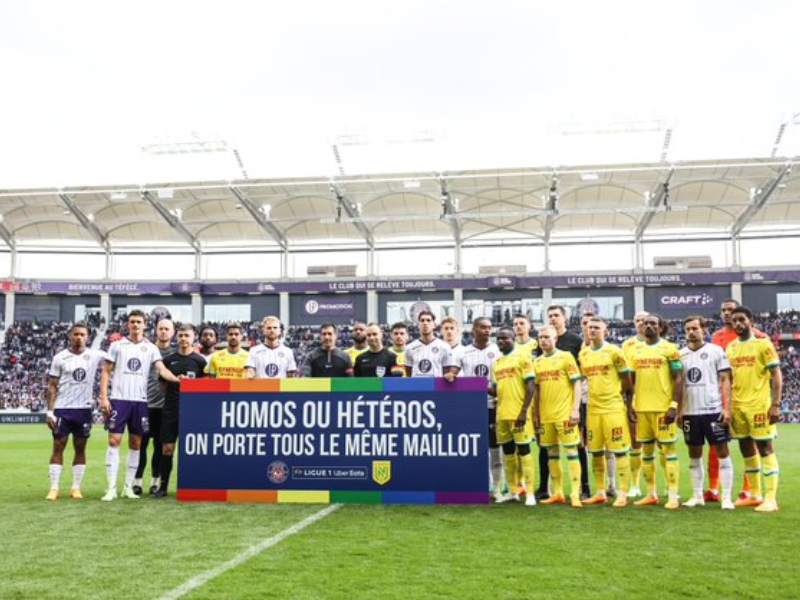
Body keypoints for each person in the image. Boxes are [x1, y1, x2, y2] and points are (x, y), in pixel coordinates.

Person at [99, 310, 181, 501]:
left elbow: (161, 369)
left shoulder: (151, 348)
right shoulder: (117, 346)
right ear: (128, 324)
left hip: (140, 401)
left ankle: (128, 487)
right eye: (132, 322)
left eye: (139, 322)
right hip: (119, 399)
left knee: (136, 443)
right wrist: (104, 398)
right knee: (114, 441)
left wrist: (178, 380)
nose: (135, 325)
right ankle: (111, 488)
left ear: (145, 325)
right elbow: (106, 372)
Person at [709, 298, 769, 502]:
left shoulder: (760, 338)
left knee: (756, 445)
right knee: (717, 442)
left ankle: (750, 491)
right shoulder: (717, 337)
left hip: (753, 400)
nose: (727, 314)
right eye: (724, 310)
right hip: (723, 397)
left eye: (731, 310)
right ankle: (713, 488)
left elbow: (771, 370)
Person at [726, 306, 783, 512]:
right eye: (735, 321)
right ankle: (755, 494)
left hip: (759, 405)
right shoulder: (731, 347)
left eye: (742, 319)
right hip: (738, 406)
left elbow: (776, 375)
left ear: (751, 320)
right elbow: (728, 379)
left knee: (765, 448)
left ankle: (771, 498)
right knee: (746, 449)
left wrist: (775, 404)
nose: (738, 324)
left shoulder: (763, 344)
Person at [45, 322, 106, 500]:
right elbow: (52, 387)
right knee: (58, 446)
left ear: (87, 337)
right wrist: (50, 412)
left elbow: (114, 359)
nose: (79, 337)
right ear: (71, 336)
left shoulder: (95, 355)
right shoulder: (60, 357)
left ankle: (76, 487)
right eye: (76, 334)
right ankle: (54, 488)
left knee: (80, 447)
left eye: (82, 335)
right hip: (62, 409)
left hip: (84, 409)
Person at [679, 316, 735, 510]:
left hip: (713, 411)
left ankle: (726, 497)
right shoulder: (681, 355)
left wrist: (727, 408)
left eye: (695, 328)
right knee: (694, 453)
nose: (691, 332)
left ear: (704, 330)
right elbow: (678, 385)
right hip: (690, 412)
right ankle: (697, 495)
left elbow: (726, 380)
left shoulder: (716, 351)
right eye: (688, 329)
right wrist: (679, 410)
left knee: (722, 451)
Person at [630, 314, 684, 509]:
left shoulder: (670, 349)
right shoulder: (635, 350)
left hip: (663, 408)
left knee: (668, 450)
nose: (649, 326)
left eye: (653, 323)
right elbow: (632, 380)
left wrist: (674, 406)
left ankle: (673, 495)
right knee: (646, 451)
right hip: (642, 407)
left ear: (661, 328)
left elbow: (679, 378)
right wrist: (631, 405)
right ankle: (650, 493)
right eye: (646, 324)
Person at [579, 317, 634, 508]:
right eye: (589, 327)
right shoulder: (584, 353)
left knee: (619, 451)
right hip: (593, 409)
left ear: (606, 331)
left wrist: (624, 401)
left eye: (597, 327)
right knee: (595, 452)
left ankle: (623, 492)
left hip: (613, 408)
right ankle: (600, 492)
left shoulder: (614, 352)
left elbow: (627, 380)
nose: (592, 330)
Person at [154, 323, 207, 498]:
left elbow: (208, 386)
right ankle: (163, 487)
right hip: (170, 410)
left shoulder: (200, 361)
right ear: (177, 337)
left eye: (187, 336)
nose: (184, 339)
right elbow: (162, 386)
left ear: (193, 338)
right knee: (167, 449)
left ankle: (193, 486)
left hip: (193, 412)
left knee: (192, 450)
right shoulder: (169, 360)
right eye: (181, 335)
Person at [451, 318, 502, 499]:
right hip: (471, 406)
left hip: (493, 405)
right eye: (483, 327)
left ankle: (496, 487)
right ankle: (475, 484)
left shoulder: (497, 351)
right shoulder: (464, 352)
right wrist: (451, 375)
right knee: (472, 446)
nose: (487, 330)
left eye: (489, 327)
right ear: (473, 330)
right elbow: (452, 373)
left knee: (495, 446)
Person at [534, 325, 583, 508]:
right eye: (541, 337)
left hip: (565, 415)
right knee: (551, 453)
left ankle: (575, 494)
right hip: (547, 416)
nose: (543, 340)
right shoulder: (537, 362)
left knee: (571, 451)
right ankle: (558, 493)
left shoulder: (566, 357)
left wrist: (575, 409)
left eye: (547, 337)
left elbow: (577, 384)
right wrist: (537, 414)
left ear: (555, 339)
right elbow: (538, 391)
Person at [489, 328, 537, 506]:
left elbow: (531, 385)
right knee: (507, 453)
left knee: (524, 451)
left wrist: (524, 411)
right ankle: (512, 491)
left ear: (513, 338)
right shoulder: (498, 362)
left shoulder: (523, 357)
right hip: (502, 414)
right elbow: (496, 390)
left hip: (518, 413)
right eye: (498, 339)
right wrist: (479, 385)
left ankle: (530, 492)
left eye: (504, 338)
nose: (501, 341)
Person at [544, 304, 587, 499]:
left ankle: (582, 488)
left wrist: (576, 405)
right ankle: (550, 489)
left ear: (565, 318)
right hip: (548, 407)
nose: (553, 319)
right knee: (548, 448)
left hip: (571, 403)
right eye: (550, 316)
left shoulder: (574, 341)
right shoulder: (542, 346)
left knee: (578, 446)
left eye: (556, 315)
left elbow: (581, 371)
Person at [133, 318, 175, 497]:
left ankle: (155, 483)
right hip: (145, 405)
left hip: (165, 409)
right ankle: (137, 482)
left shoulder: (175, 354)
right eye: (161, 328)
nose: (164, 332)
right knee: (139, 446)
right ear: (156, 330)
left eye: (167, 329)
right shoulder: (147, 349)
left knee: (160, 447)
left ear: (172, 332)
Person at [622, 311, 649, 499]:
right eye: (637, 320)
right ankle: (635, 484)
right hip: (635, 399)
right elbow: (625, 375)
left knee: (663, 444)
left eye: (643, 320)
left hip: (658, 399)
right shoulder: (627, 345)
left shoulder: (662, 344)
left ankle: (665, 487)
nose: (640, 323)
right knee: (635, 441)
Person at [404, 311, 454, 377]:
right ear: (418, 325)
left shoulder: (444, 347)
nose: (425, 323)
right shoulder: (409, 348)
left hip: (436, 386)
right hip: (417, 387)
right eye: (422, 320)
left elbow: (446, 374)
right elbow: (409, 374)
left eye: (428, 320)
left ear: (434, 325)